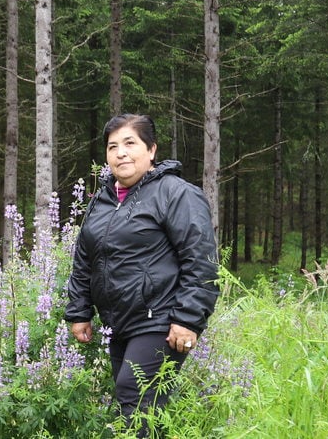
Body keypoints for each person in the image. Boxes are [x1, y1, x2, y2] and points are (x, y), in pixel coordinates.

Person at [64, 113, 220, 437]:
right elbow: (84, 259)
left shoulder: (176, 193)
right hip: (120, 321)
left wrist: (188, 319)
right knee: (138, 405)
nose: (120, 152)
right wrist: (79, 311)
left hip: (161, 319)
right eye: (112, 146)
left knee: (135, 396)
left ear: (151, 150)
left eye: (130, 143)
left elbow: (201, 260)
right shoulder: (103, 200)